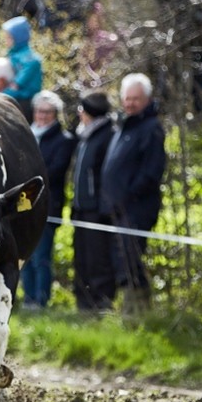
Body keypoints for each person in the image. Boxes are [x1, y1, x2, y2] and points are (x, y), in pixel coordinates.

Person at [100, 74, 167, 313]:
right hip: (117, 209)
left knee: (131, 259)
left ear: (147, 100)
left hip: (136, 208)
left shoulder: (151, 129)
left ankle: (138, 310)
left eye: (135, 99)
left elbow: (152, 172)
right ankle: (130, 309)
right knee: (119, 260)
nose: (130, 103)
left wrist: (128, 196)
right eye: (127, 99)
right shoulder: (123, 125)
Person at [17, 91, 75, 309]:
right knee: (26, 256)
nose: (42, 116)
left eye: (47, 112)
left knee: (42, 257)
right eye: (39, 111)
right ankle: (28, 299)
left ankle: (41, 301)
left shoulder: (64, 140)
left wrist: (27, 177)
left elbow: (55, 171)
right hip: (23, 206)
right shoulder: (26, 136)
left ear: (55, 114)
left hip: (47, 206)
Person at [70, 91, 117, 312]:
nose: (79, 114)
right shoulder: (84, 136)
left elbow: (105, 175)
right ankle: (83, 302)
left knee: (98, 259)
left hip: (96, 210)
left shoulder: (107, 135)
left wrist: (100, 205)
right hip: (80, 208)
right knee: (81, 258)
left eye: (82, 110)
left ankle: (101, 302)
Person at [0, 16, 43, 118]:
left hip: (26, 101)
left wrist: (0, 94)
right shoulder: (13, 54)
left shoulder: (30, 59)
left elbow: (16, 85)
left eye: (9, 38)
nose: (6, 41)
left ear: (18, 38)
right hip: (15, 97)